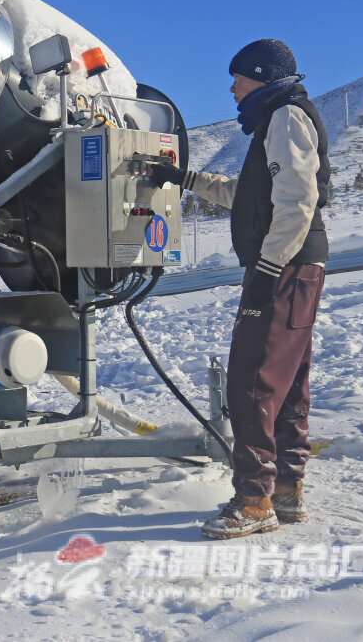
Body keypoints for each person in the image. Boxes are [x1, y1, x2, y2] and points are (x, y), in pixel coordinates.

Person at [149, 39, 330, 539]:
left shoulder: (285, 116)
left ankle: (254, 502)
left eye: (238, 78)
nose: (231, 88)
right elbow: (246, 196)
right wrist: (183, 177)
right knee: (287, 381)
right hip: (296, 266)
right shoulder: (275, 121)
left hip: (285, 266)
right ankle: (287, 493)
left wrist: (269, 269)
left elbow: (298, 200)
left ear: (262, 75)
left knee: (251, 383)